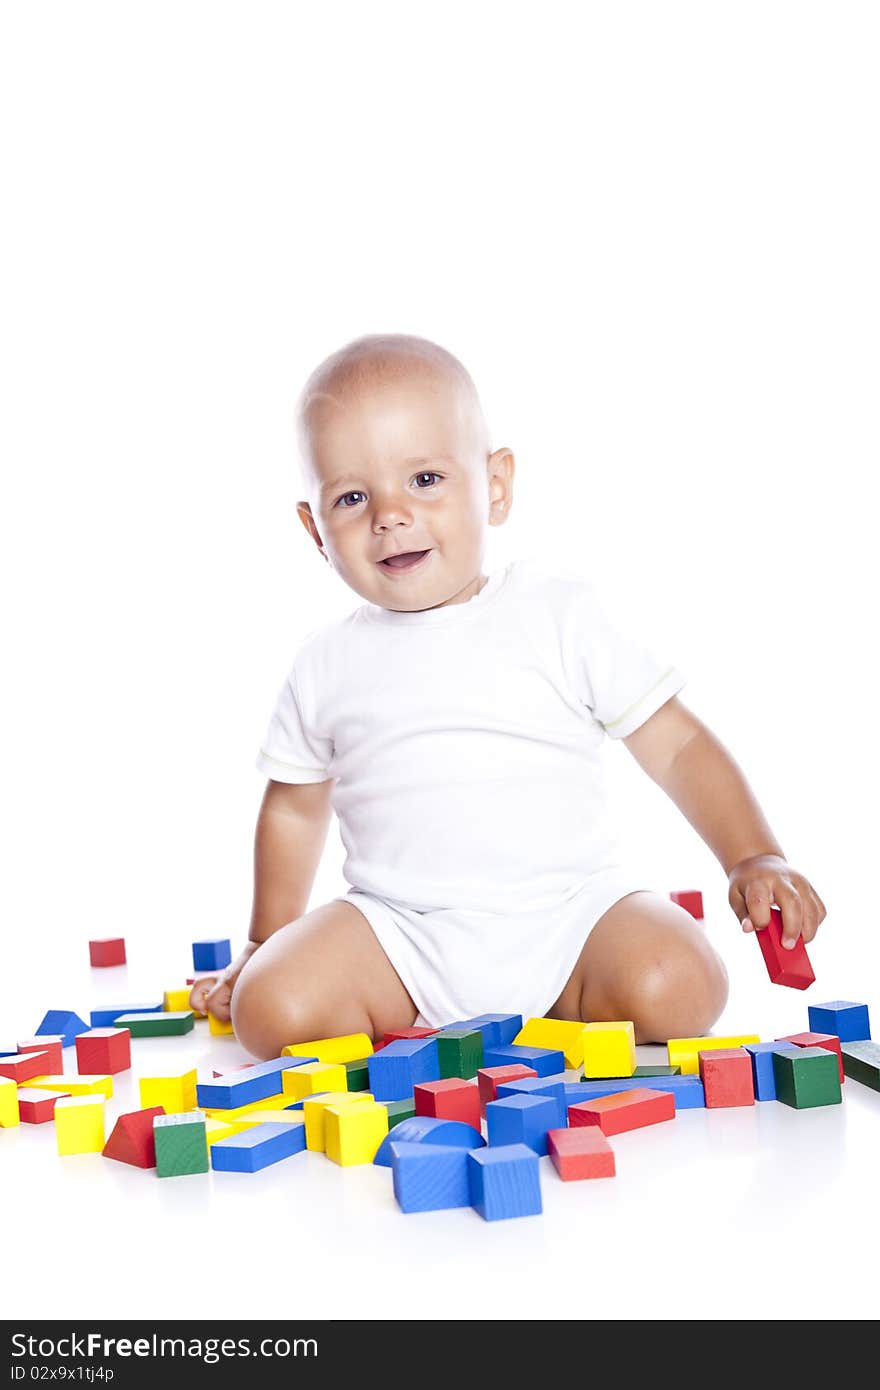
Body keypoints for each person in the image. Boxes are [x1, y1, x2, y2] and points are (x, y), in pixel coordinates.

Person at [189, 333, 826, 1060]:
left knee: (678, 984)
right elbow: (294, 809)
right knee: (271, 1009)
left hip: (569, 914)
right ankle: (415, 1015)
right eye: (353, 496)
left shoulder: (559, 615)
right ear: (314, 529)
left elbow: (677, 747)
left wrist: (753, 856)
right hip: (399, 929)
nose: (390, 516)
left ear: (494, 485)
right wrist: (267, 941)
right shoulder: (325, 661)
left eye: (425, 480)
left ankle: (565, 995)